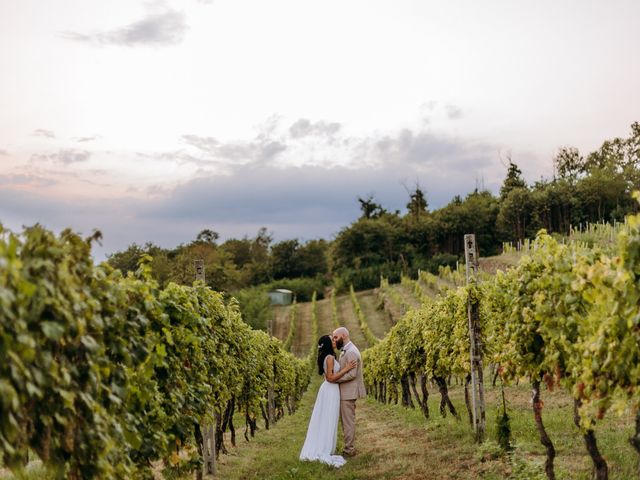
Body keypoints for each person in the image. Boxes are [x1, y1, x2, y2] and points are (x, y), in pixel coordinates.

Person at [299, 334, 357, 467]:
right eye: (332, 340)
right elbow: (331, 378)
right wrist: (346, 369)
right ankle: (323, 447)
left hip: (329, 390)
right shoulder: (330, 357)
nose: (335, 341)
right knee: (328, 418)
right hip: (330, 390)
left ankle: (324, 444)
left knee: (326, 418)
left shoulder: (328, 357)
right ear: (328, 343)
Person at [332, 326, 366, 457]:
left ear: (344, 336)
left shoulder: (351, 351)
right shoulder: (346, 350)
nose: (334, 340)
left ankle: (349, 449)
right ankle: (348, 447)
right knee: (347, 421)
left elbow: (351, 374)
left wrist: (334, 379)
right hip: (346, 392)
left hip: (348, 392)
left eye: (336, 337)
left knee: (348, 422)